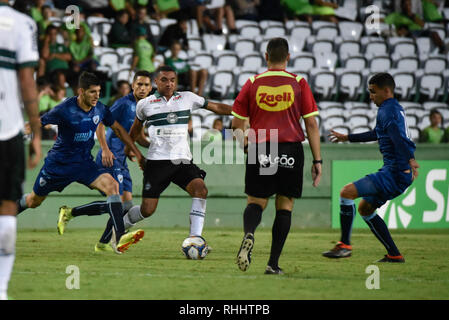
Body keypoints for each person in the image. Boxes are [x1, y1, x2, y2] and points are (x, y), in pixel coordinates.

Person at [16, 72, 146, 254]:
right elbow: (39, 122)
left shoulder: (100, 109)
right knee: (33, 201)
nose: (97, 96)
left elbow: (118, 129)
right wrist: (21, 131)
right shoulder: (65, 109)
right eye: (92, 92)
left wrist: (137, 152)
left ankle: (120, 234)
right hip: (58, 166)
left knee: (112, 186)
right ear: (81, 91)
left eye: (99, 92)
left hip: (84, 163)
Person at [114, 65, 232, 248]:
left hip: (182, 161)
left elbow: (215, 106)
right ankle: (118, 231)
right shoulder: (145, 104)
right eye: (164, 80)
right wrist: (135, 153)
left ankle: (195, 239)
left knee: (200, 190)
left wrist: (240, 111)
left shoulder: (187, 98)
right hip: (157, 163)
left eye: (172, 80)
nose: (169, 84)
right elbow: (135, 132)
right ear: (156, 82)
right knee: (147, 210)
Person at [231, 37, 322, 275]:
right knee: (285, 205)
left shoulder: (252, 83)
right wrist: (317, 160)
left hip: (261, 147)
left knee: (256, 202)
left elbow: (236, 124)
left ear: (266, 57)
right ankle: (272, 263)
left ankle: (249, 233)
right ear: (288, 57)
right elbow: (311, 124)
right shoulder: (299, 83)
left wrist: (245, 147)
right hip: (291, 148)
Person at [323, 72, 419, 263]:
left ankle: (344, 245)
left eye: (373, 92)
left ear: (386, 91)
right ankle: (394, 254)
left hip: (395, 172)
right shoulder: (393, 108)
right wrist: (348, 137)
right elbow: (378, 133)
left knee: (346, 192)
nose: (370, 96)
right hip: (396, 172)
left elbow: (396, 137)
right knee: (365, 208)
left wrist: (410, 160)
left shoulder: (387, 110)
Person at [57, 70, 153, 252]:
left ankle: (100, 241)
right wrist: (105, 149)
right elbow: (100, 123)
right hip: (110, 157)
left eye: (146, 85)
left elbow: (137, 136)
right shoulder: (124, 104)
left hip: (122, 160)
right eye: (139, 84)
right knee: (119, 203)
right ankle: (98, 233)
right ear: (133, 85)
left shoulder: (144, 108)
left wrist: (152, 145)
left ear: (150, 88)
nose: (142, 88)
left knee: (125, 206)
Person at [0, 0, 42, 300]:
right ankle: (0, 289)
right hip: (7, 130)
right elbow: (27, 82)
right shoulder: (22, 24)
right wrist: (36, 132)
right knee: (7, 207)